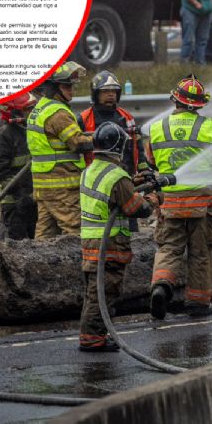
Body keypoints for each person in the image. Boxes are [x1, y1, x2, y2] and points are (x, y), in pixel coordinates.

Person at [144, 75, 212, 318]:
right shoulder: (208, 126)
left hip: (170, 202)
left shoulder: (156, 128)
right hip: (201, 204)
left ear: (174, 100)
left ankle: (161, 287)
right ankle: (198, 303)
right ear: (199, 105)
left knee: (169, 248)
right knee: (200, 252)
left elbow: (151, 161)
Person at [78, 122, 160, 352]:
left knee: (94, 291)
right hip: (111, 244)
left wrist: (132, 184)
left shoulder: (90, 170)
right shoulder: (117, 176)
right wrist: (154, 199)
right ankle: (91, 338)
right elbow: (137, 208)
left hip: (89, 242)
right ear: (118, 146)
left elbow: (112, 194)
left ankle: (97, 334)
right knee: (104, 292)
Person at [26, 61, 94, 239]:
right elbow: (78, 143)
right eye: (66, 87)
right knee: (74, 230)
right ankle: (76, 266)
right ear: (53, 88)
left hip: (43, 185)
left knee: (45, 234)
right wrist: (100, 137)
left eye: (72, 86)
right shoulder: (58, 114)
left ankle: (39, 265)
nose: (71, 91)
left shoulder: (40, 108)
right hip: (61, 186)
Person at [78, 70, 149, 231]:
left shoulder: (126, 117)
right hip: (96, 182)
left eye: (113, 91)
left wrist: (143, 171)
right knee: (99, 221)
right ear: (95, 94)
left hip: (125, 179)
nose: (110, 95)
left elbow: (137, 148)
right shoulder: (84, 119)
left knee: (129, 222)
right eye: (105, 91)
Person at [0, 92, 38, 240]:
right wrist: (20, 195)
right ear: (14, 112)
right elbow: (0, 172)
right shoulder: (5, 135)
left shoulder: (29, 130)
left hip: (31, 198)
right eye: (28, 109)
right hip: (14, 202)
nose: (33, 112)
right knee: (14, 245)